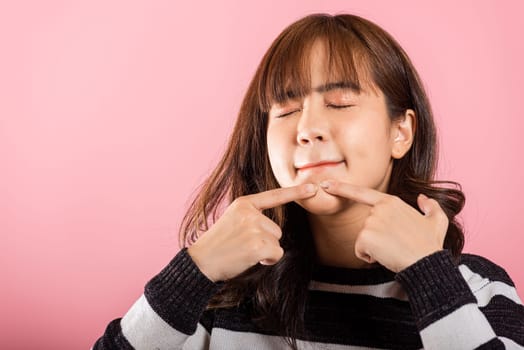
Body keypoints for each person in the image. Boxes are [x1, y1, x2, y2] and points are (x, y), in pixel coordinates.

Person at [93, 13, 524, 349]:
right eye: (284, 110)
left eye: (339, 102)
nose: (308, 127)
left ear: (401, 132)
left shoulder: (479, 291)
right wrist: (195, 269)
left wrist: (426, 274)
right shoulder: (218, 298)